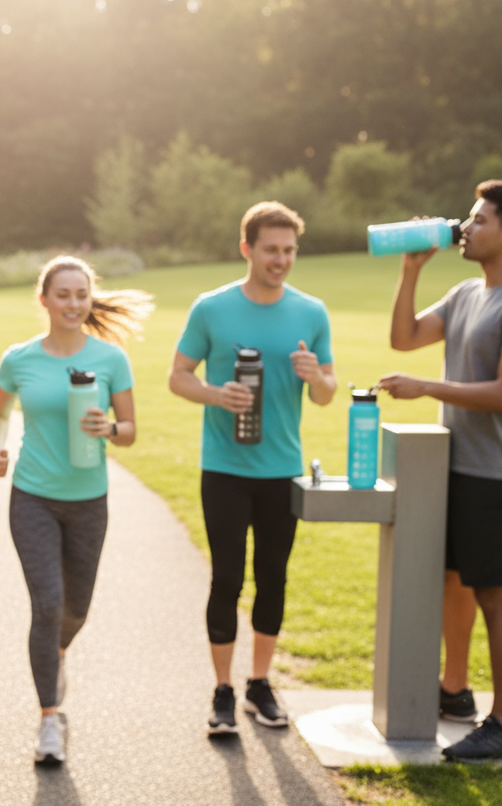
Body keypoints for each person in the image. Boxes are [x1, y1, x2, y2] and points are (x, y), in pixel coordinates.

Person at [379, 180, 502, 763]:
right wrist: (410, 271)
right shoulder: (464, 293)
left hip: (494, 473)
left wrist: (427, 387)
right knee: (451, 580)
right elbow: (404, 339)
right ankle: (454, 690)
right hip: (448, 466)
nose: (465, 227)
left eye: (479, 221)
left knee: (494, 594)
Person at [168, 201, 337, 736]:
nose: (281, 260)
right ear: (247, 248)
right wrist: (216, 395)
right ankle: (222, 690)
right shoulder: (212, 309)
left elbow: (329, 394)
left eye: (289, 250)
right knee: (226, 576)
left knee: (273, 577)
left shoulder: (312, 313)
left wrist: (316, 376)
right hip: (224, 467)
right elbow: (178, 376)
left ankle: (260, 685)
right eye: (271, 249)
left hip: (281, 469)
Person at [0, 255, 150, 765]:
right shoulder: (19, 358)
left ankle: (57, 654)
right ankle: (49, 720)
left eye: (82, 295)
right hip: (32, 495)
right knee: (49, 604)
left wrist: (109, 430)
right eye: (64, 295)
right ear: (44, 299)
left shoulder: (111, 359)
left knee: (76, 609)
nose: (74, 304)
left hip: (89, 501)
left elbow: (130, 432)